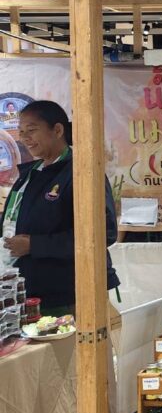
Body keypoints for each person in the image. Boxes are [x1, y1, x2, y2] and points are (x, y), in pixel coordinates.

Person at [1, 100, 119, 314]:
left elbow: (103, 233)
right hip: (28, 291)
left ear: (57, 130)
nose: (24, 138)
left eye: (32, 130)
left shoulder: (82, 171)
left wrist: (35, 245)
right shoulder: (30, 173)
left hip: (71, 293)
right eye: (21, 131)